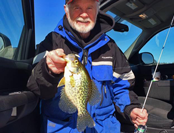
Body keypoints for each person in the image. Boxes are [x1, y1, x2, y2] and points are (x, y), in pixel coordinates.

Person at [27, 0, 148, 132]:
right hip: (61, 128)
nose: (84, 14)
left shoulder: (111, 48)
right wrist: (48, 71)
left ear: (97, 10)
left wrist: (131, 108)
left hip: (104, 128)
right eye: (77, 7)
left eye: (89, 8)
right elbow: (35, 87)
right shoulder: (51, 43)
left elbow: (122, 88)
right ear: (66, 10)